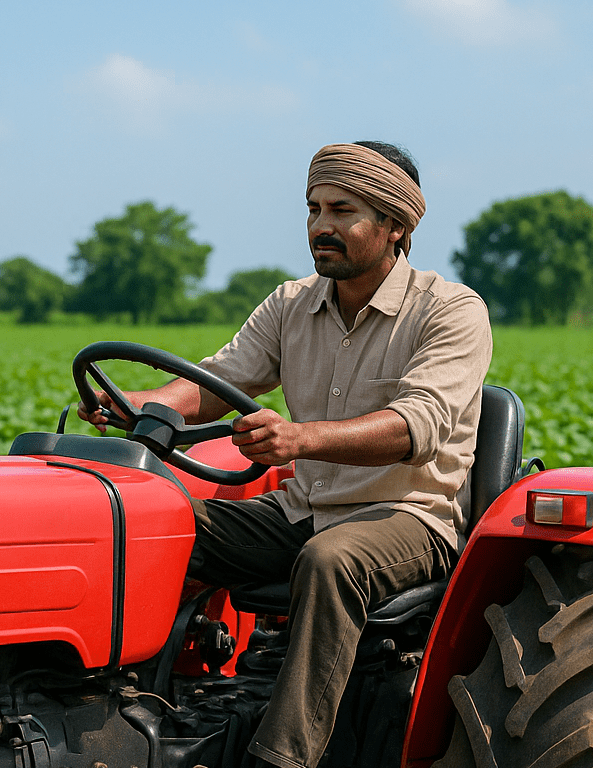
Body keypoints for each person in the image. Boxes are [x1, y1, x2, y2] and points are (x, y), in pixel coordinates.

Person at [78, 141, 492, 768]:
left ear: (395, 227)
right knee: (156, 526)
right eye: (313, 209)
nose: (320, 226)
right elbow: (218, 383)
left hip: (410, 515)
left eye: (342, 211)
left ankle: (279, 759)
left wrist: (301, 439)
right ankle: (119, 714)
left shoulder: (451, 311)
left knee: (331, 562)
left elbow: (420, 425)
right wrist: (136, 403)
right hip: (304, 504)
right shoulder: (292, 303)